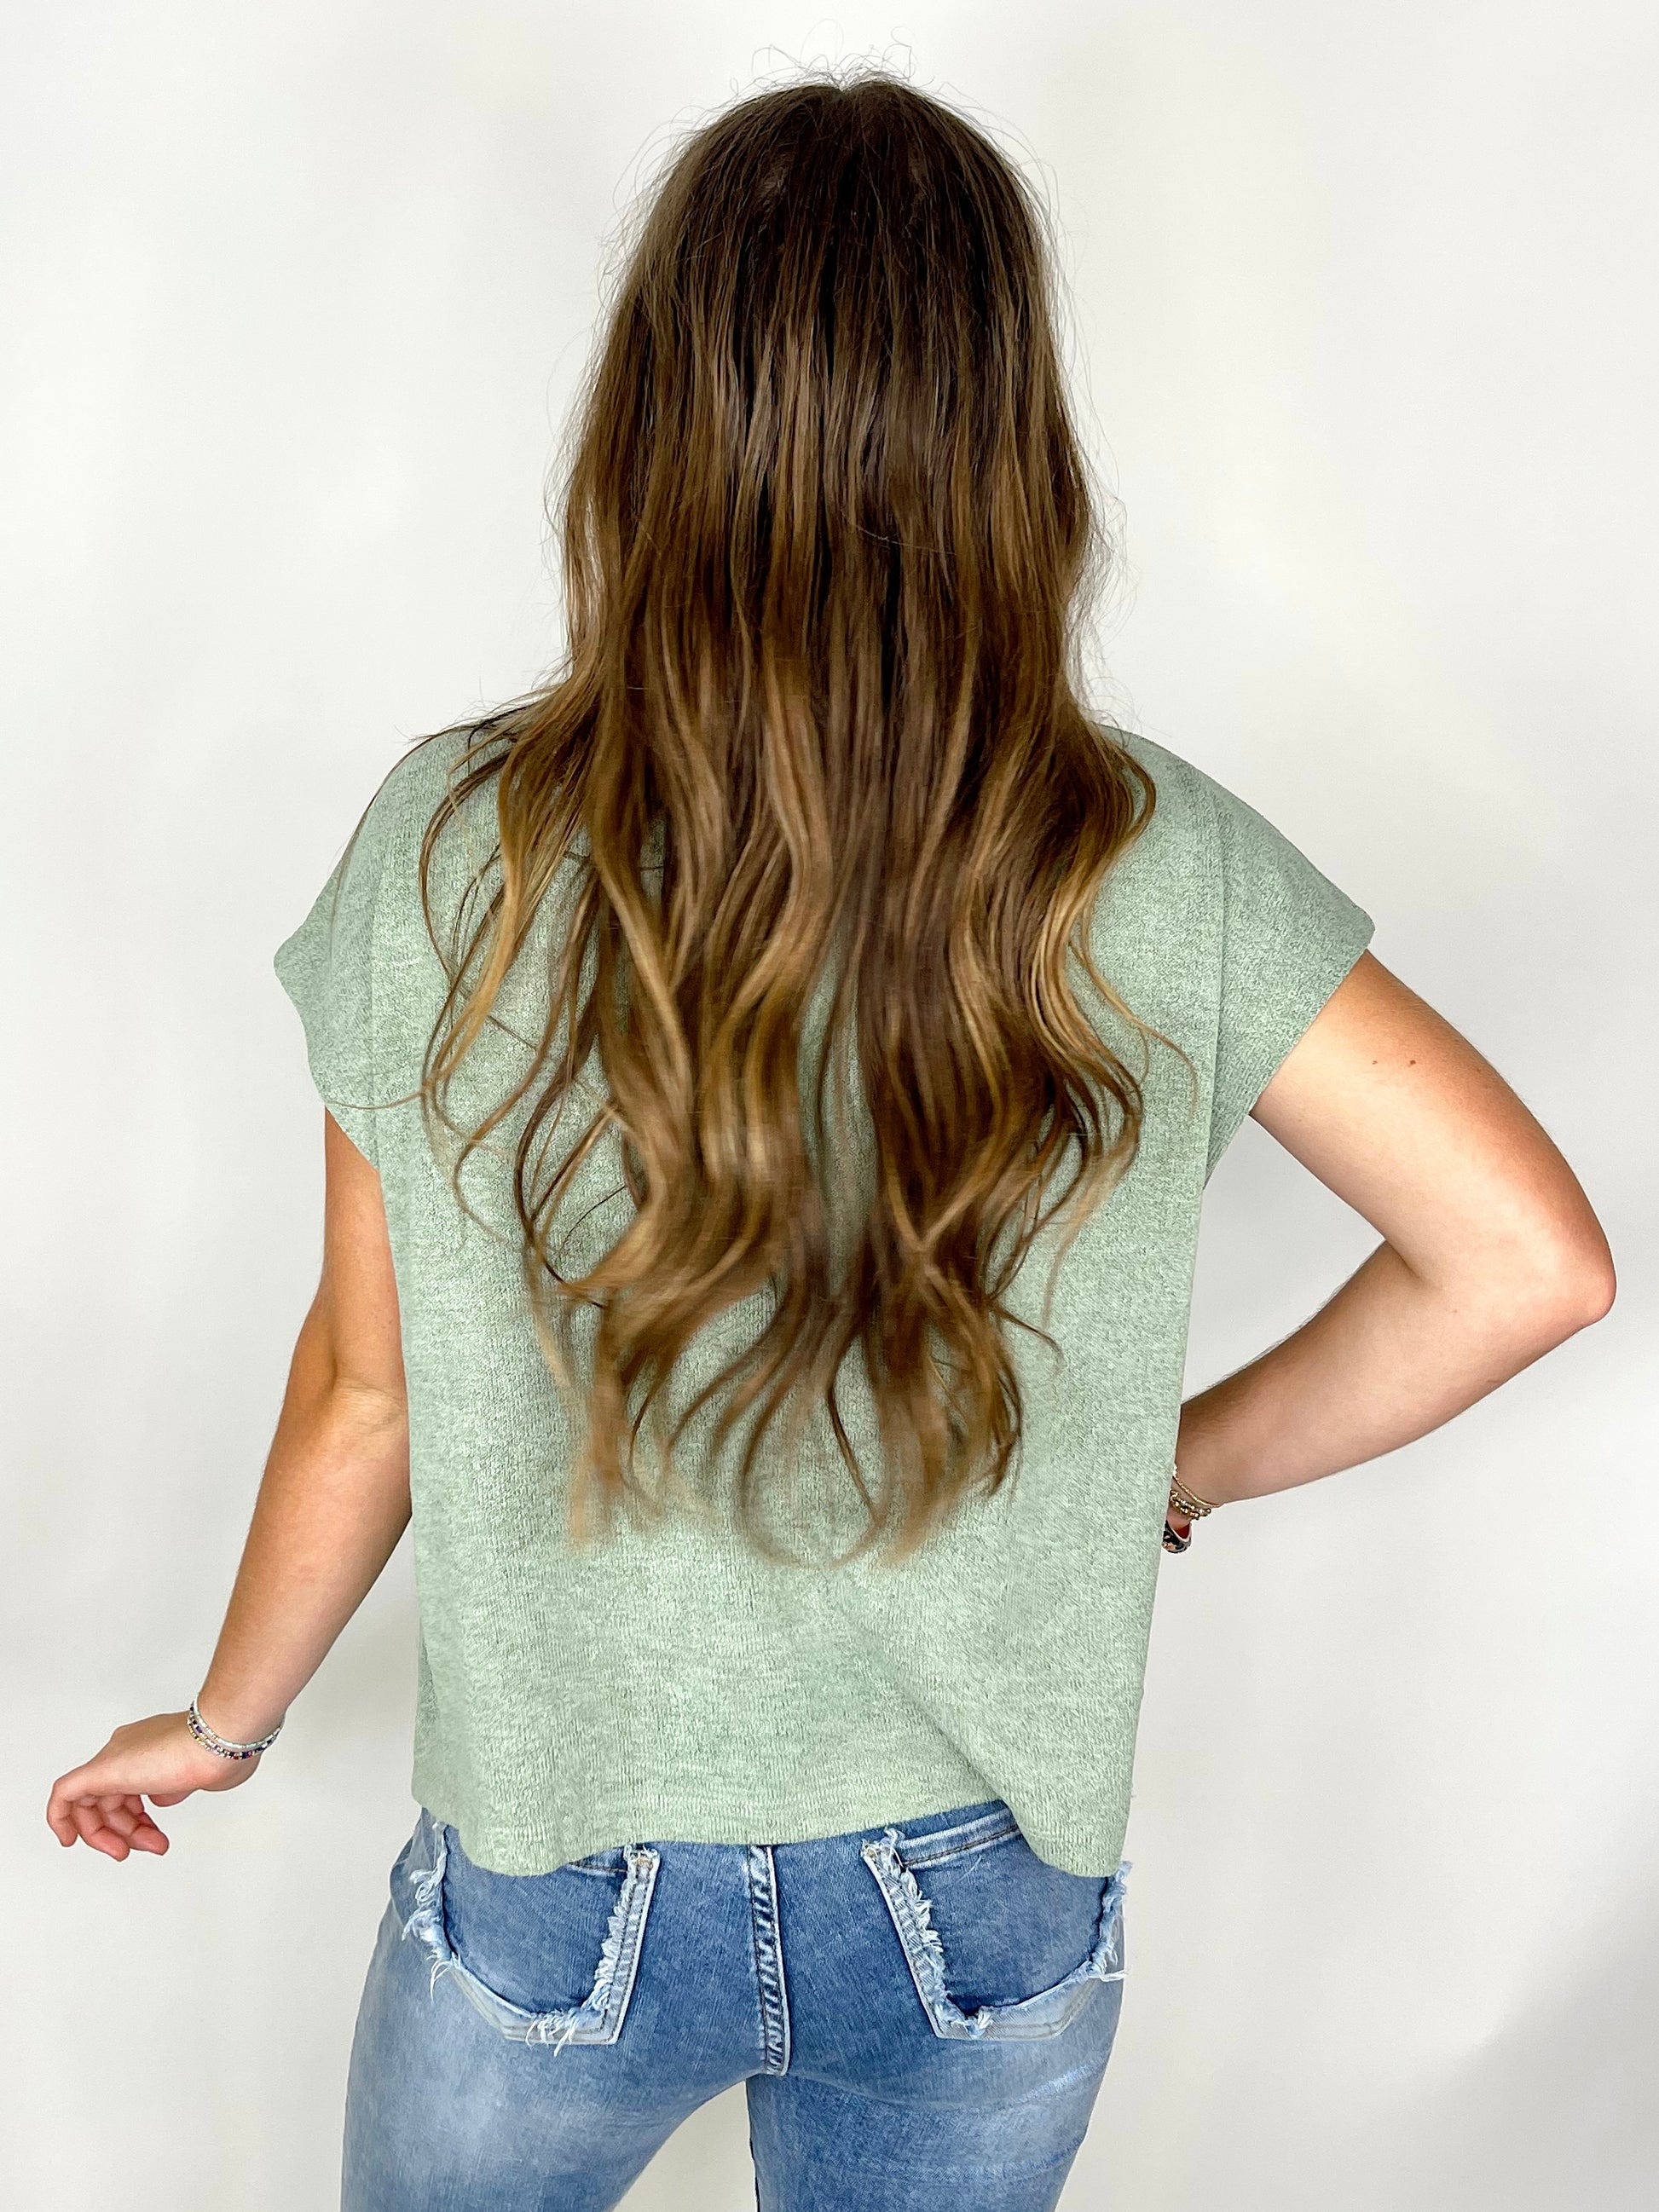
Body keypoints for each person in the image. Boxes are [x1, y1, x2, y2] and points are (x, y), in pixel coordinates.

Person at [45, 72, 1614, 2212]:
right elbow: (1527, 1261)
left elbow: (363, 1390)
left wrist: (224, 1722)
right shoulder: (1150, 855)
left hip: (565, 1873)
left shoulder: (453, 846)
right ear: (1007, 442)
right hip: (984, 1893)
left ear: (652, 423)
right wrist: (1171, 1464)